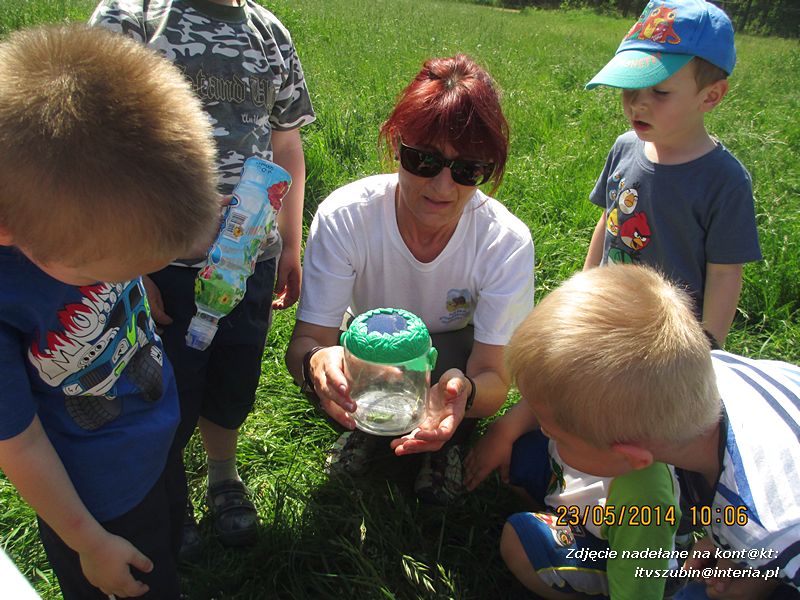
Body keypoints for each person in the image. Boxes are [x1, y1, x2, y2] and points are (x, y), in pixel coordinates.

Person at [0, 23, 220, 599]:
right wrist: (89, 543)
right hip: (97, 502)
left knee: (168, 533)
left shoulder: (77, 226)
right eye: (105, 273)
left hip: (152, 438)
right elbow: (17, 444)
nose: (120, 281)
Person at [90, 0, 316, 555]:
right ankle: (168, 493)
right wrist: (124, 263)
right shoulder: (132, 17)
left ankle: (222, 474)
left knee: (232, 377)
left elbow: (286, 142)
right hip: (161, 262)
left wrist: (289, 241)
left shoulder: (268, 31)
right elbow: (94, 148)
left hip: (250, 260)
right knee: (167, 386)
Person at [284, 54, 535, 505]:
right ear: (397, 147)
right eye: (424, 160)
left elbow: (494, 376)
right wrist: (318, 366)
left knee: (453, 368)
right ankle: (366, 426)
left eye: (467, 171)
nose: (442, 188)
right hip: (366, 354)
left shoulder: (506, 241)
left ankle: (446, 441)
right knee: (351, 356)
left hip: (453, 353)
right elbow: (308, 341)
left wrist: (465, 394)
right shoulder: (346, 216)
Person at [469, 264, 800, 599]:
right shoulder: (690, 375)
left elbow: (781, 532)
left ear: (629, 457)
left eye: (557, 436)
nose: (545, 432)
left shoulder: (770, 526)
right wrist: (728, 550)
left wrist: (756, 582)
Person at [583, 0, 761, 348]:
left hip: (670, 338)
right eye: (630, 86)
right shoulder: (624, 147)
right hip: (606, 312)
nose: (637, 103)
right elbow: (609, 220)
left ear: (710, 96)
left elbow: (725, 272)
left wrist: (708, 346)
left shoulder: (724, 179)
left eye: (660, 91)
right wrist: (584, 287)